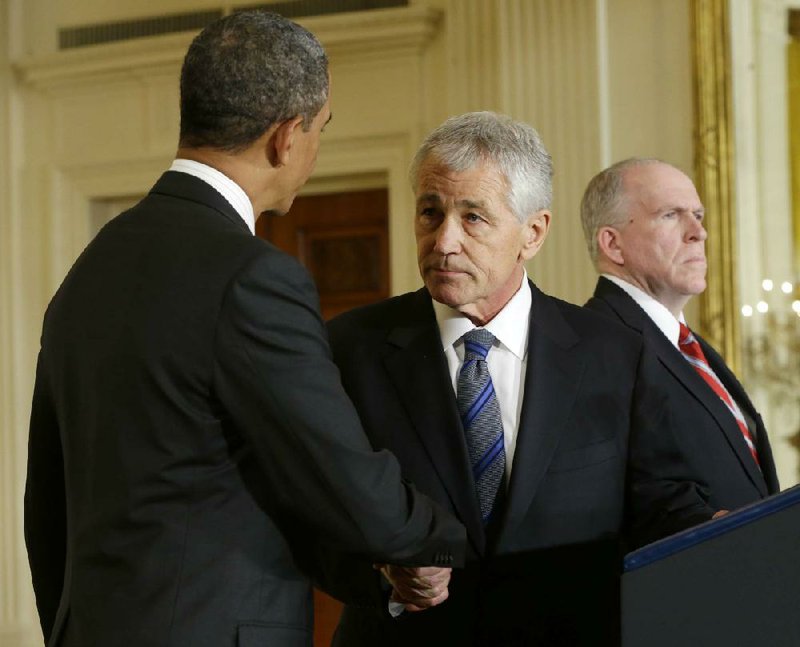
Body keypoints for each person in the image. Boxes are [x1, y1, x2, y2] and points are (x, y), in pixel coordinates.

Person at [23, 11, 465, 647]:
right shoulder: (252, 278)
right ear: (286, 137)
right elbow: (335, 472)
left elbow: (48, 502)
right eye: (321, 129)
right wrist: (447, 542)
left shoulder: (91, 268)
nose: (315, 149)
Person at [325, 112, 674, 646]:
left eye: (473, 218)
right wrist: (382, 574)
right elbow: (309, 512)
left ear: (532, 233)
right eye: (430, 212)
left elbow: (657, 506)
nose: (443, 242)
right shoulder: (349, 349)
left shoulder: (614, 353)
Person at [581, 157, 779, 543]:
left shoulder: (687, 347)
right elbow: (620, 491)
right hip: (679, 588)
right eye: (671, 215)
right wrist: (721, 527)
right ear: (613, 243)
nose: (698, 233)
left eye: (699, 215)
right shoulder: (596, 342)